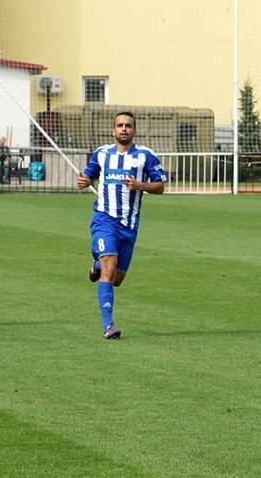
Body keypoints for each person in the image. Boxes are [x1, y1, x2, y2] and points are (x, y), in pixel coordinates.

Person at [76, 111, 166, 339]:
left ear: (134, 130)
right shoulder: (102, 154)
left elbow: (160, 186)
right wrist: (84, 181)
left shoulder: (145, 156)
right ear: (113, 130)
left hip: (129, 225)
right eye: (119, 125)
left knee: (116, 279)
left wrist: (139, 185)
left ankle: (97, 264)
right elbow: (87, 176)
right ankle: (109, 326)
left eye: (128, 126)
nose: (123, 129)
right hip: (104, 220)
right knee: (109, 267)